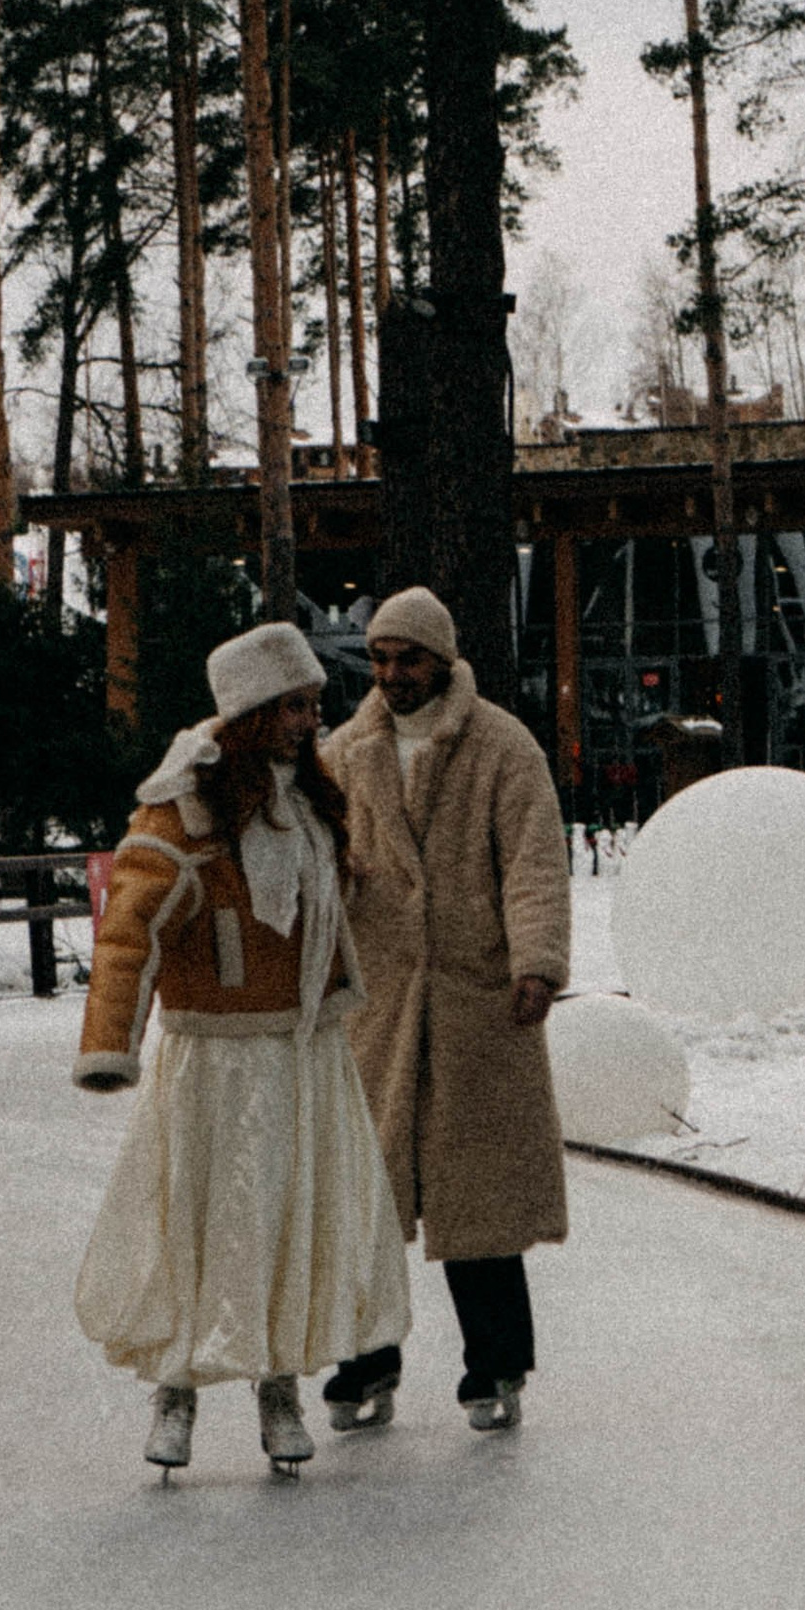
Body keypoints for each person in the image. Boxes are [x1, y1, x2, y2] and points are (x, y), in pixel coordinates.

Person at [72, 621, 409, 1479]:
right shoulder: (183, 809)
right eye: (294, 706)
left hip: (302, 1054)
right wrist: (110, 1045)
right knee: (196, 1226)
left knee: (290, 1224)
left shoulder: (312, 802)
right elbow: (129, 932)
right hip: (215, 1062)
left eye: (313, 704)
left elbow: (327, 908)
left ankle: (279, 1388)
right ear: (253, 711)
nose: (310, 720)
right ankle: (176, 1393)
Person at [319, 584, 571, 1434]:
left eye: (409, 659)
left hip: (476, 1000)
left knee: (479, 1201)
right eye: (381, 659)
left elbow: (533, 862)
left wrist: (535, 962)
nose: (392, 674)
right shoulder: (346, 754)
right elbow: (318, 860)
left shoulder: (502, 746)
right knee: (367, 1196)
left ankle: (496, 1367)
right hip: (381, 1004)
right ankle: (364, 1362)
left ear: (443, 660)